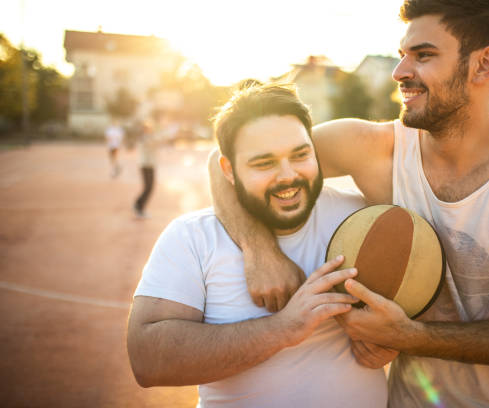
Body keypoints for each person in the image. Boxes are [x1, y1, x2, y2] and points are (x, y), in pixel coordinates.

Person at [207, 1, 489, 406]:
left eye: (423, 55)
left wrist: (409, 338)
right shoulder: (374, 149)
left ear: (482, 64)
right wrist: (259, 248)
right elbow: (224, 160)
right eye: (403, 54)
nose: (400, 71)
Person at [127, 84, 388, 408]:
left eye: (300, 155)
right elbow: (146, 360)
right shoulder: (192, 238)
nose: (288, 176)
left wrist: (391, 341)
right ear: (228, 170)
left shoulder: (364, 218)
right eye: (264, 163)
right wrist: (283, 328)